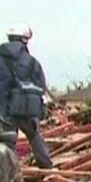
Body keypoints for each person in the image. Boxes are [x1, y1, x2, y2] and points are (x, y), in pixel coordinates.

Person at [0, 24, 52, 168]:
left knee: (8, 142)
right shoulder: (32, 62)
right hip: (28, 109)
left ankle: (11, 171)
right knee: (35, 137)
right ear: (25, 40)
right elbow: (41, 87)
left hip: (6, 110)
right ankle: (46, 167)